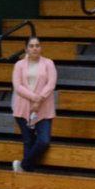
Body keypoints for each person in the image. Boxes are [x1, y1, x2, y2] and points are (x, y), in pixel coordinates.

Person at [10, 37, 57, 173]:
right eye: (31, 46)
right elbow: (17, 86)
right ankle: (27, 173)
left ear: (41, 48)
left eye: (37, 45)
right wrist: (34, 98)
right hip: (23, 107)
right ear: (26, 49)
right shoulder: (19, 65)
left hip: (44, 108)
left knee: (43, 141)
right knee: (28, 141)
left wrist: (39, 100)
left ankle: (23, 165)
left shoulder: (48, 63)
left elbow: (51, 84)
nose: (35, 48)